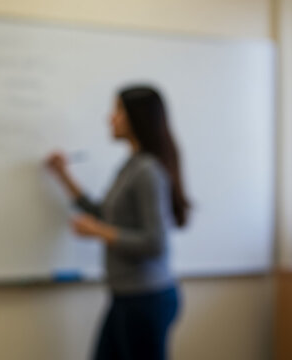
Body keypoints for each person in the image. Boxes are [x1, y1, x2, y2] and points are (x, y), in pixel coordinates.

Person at [46, 85, 190, 360]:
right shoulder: (131, 166)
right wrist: (63, 176)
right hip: (126, 297)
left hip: (146, 297)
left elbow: (155, 242)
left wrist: (98, 232)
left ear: (137, 117)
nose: (110, 118)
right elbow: (103, 212)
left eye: (118, 111)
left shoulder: (147, 170)